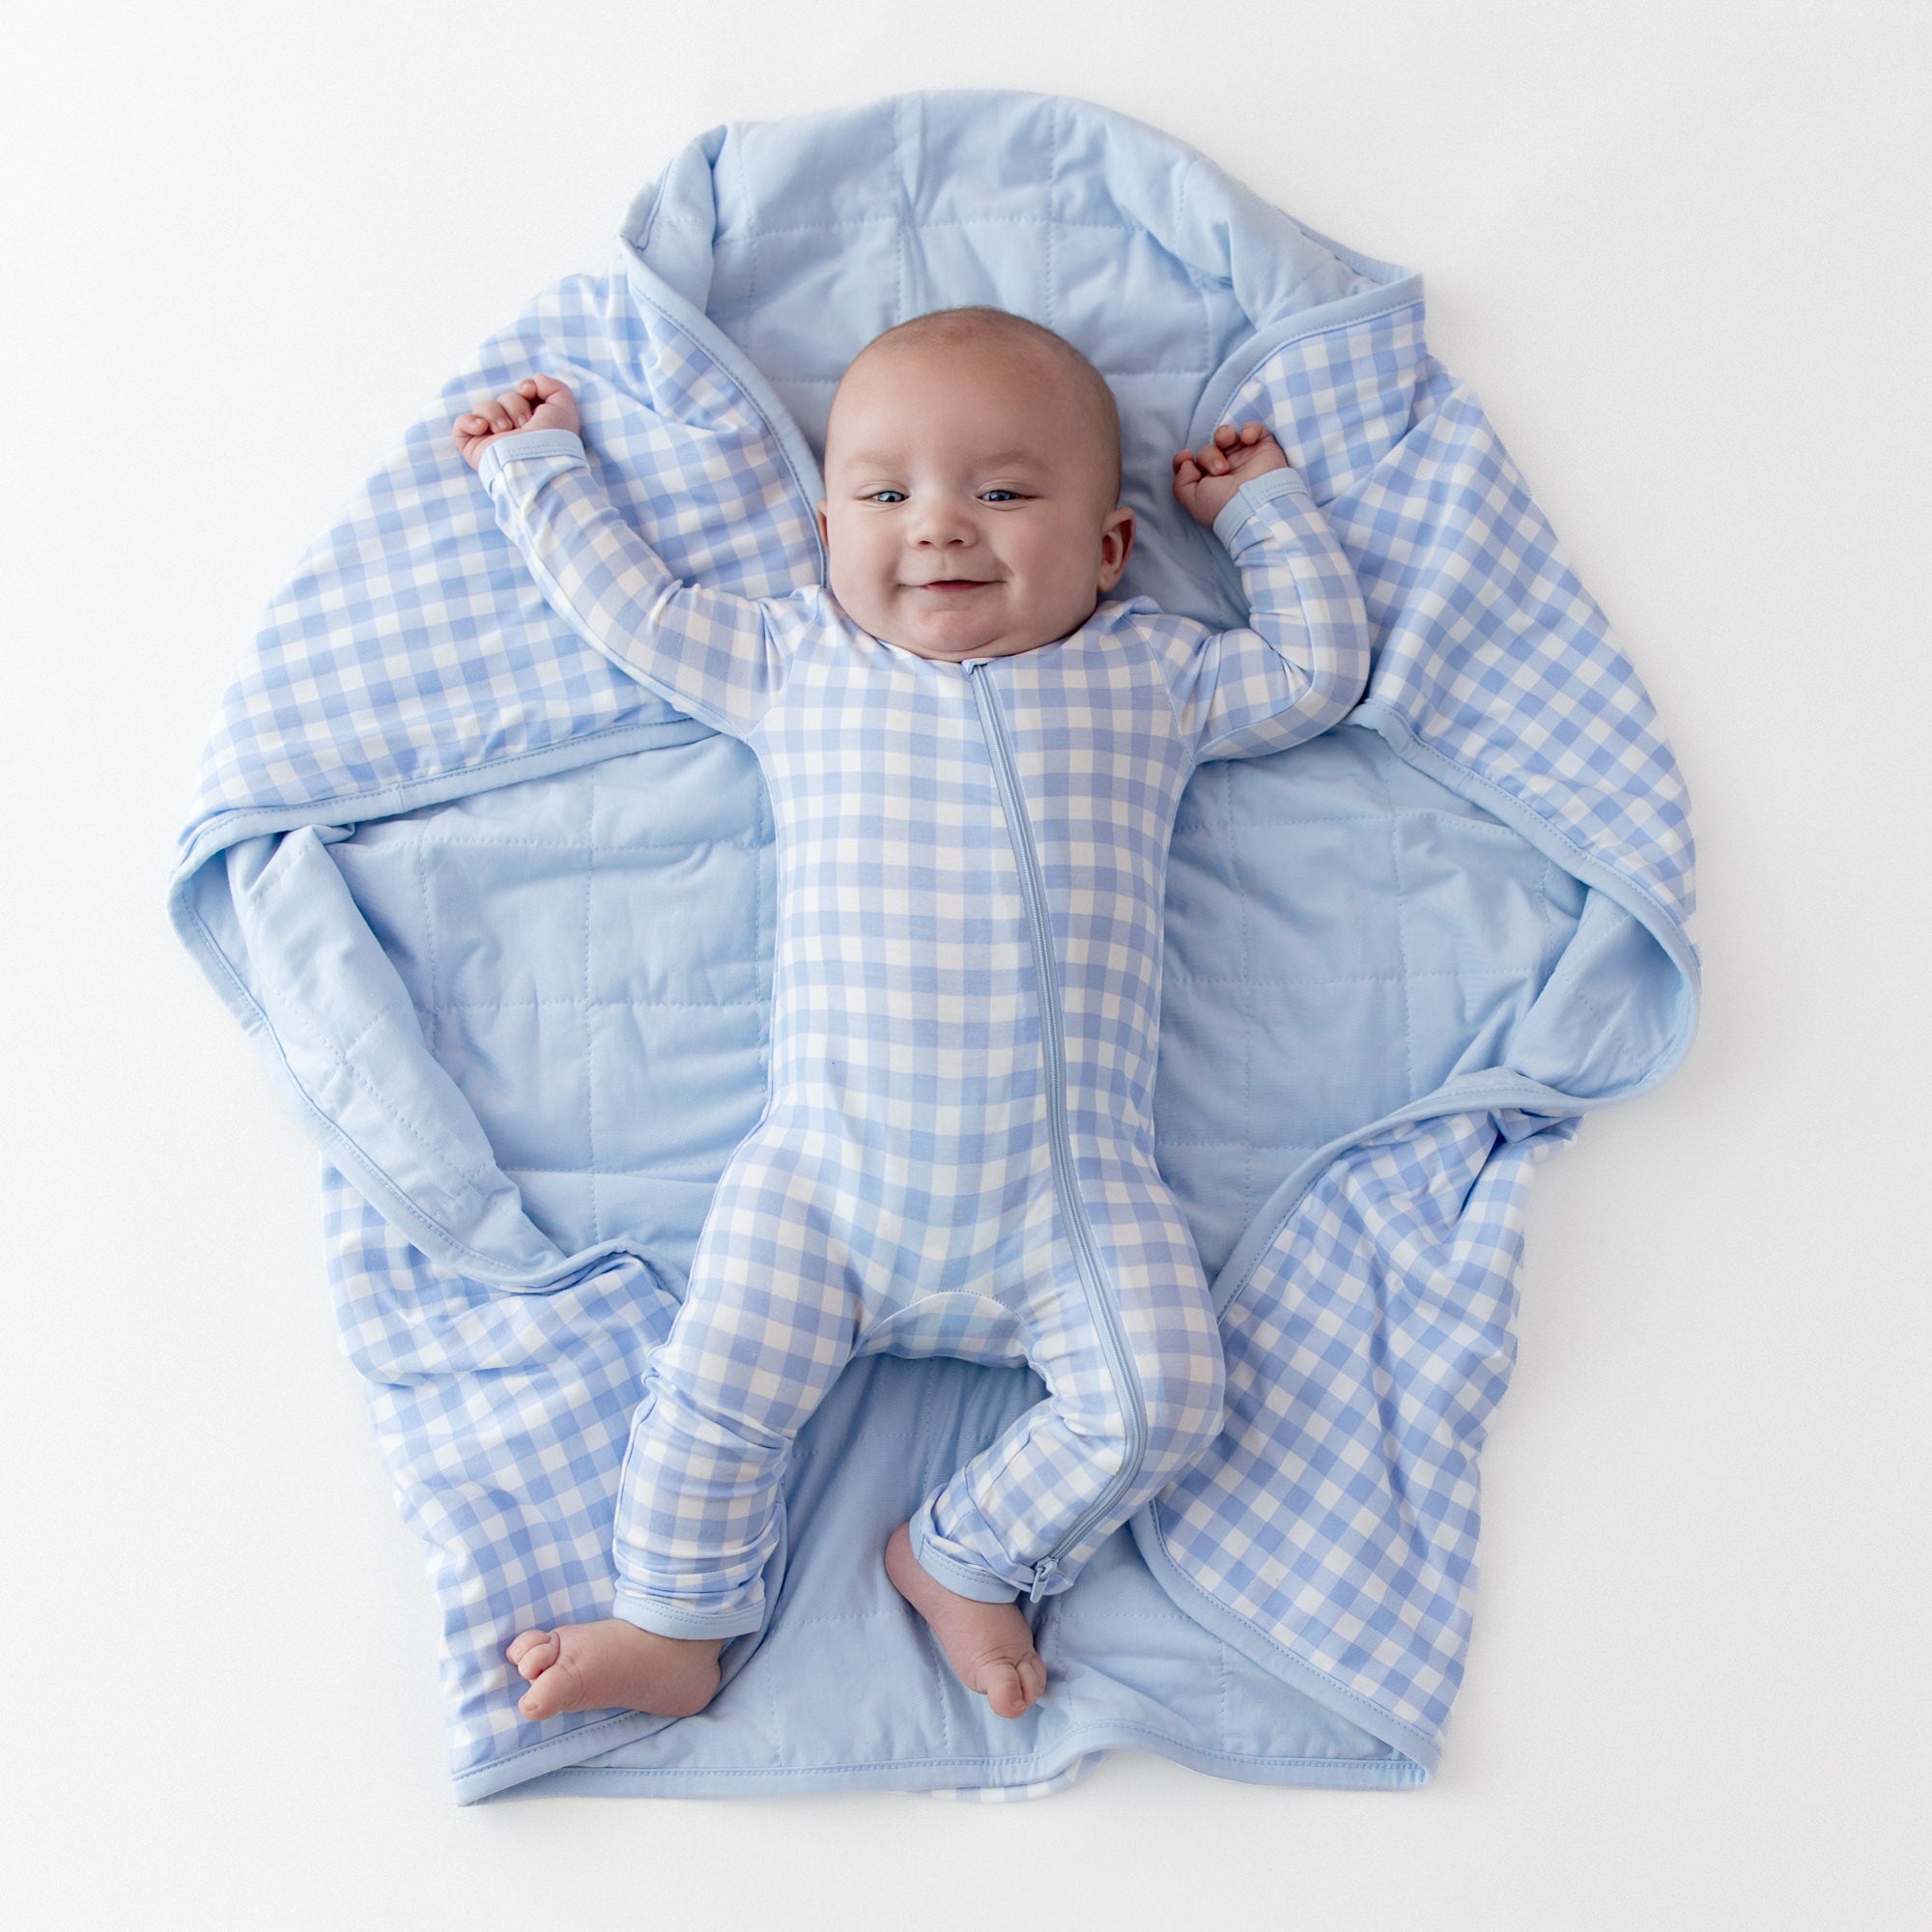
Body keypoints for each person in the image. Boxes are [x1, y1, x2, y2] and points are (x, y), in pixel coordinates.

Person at [451, 305, 1372, 1724]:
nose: (941, 528)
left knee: (1167, 1400)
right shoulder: (798, 662)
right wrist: (544, 475)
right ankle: (673, 1624)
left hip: (1070, 1197)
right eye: (886, 495)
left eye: (1003, 492)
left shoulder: (1152, 674)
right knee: (710, 1400)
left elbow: (1316, 675)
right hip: (825, 1182)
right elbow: (631, 615)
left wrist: (1262, 515)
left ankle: (965, 1553)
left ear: (1112, 548)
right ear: (825, 535)